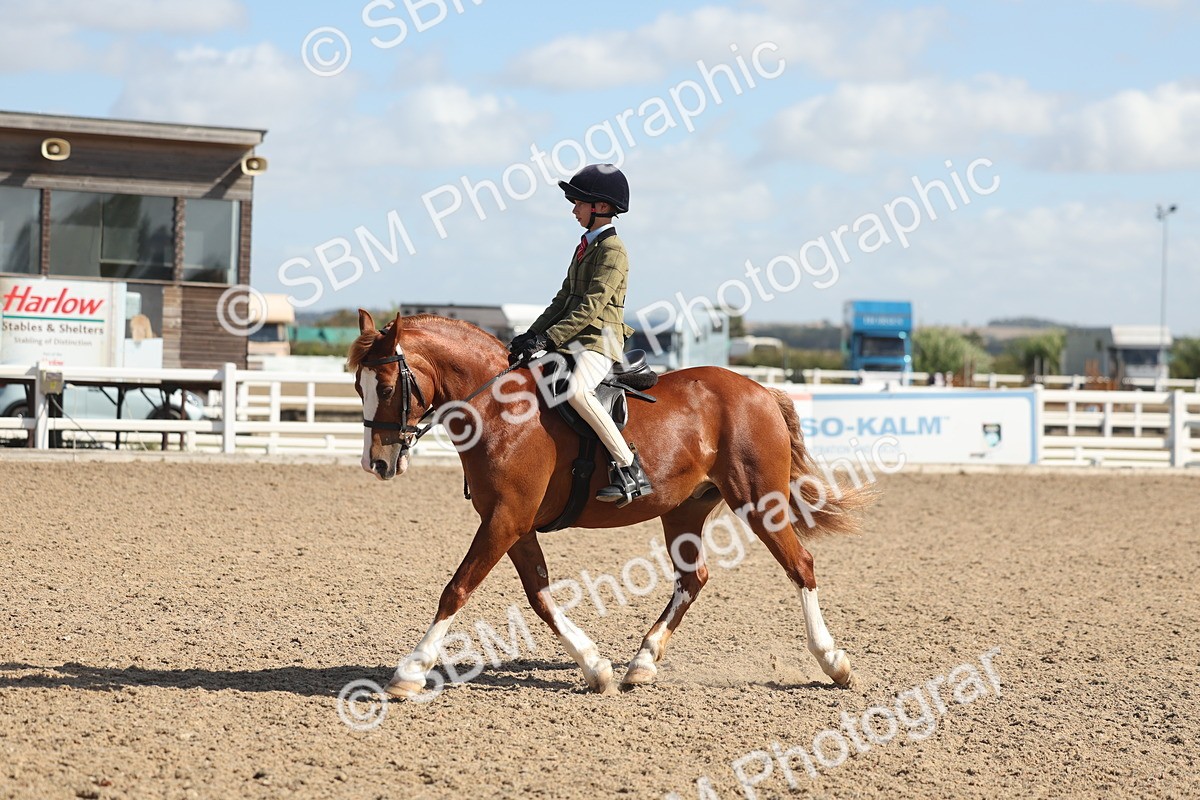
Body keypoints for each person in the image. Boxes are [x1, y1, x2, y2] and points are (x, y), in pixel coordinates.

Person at [508, 164, 653, 506]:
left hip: (600, 340)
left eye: (579, 203)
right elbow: (563, 300)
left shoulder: (613, 250)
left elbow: (590, 305)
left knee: (576, 391)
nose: (574, 209)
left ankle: (629, 467)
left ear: (600, 207)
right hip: (574, 339)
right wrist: (531, 335)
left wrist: (550, 339)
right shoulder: (586, 245)